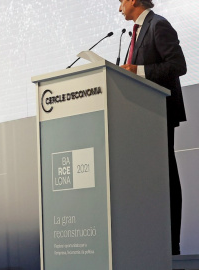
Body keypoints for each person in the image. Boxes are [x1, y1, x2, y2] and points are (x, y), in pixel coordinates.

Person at [118, 0, 187, 255]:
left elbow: (179, 65)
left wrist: (139, 70)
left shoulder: (158, 25)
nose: (119, 8)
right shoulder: (134, 33)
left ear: (134, 0)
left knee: (166, 175)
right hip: (139, 117)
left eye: (121, 1)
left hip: (159, 113)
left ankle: (172, 245)